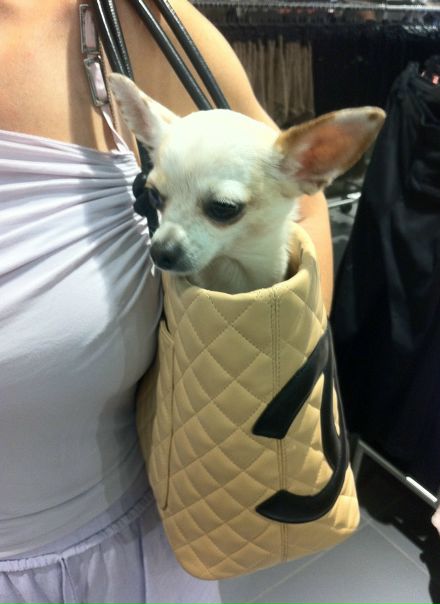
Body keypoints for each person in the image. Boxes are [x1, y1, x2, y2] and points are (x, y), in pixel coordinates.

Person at [0, 1, 334, 602]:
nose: (168, 240)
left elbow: (303, 202)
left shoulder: (124, 16)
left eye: (220, 208)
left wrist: (285, 365)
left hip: (162, 520)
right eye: (158, 198)